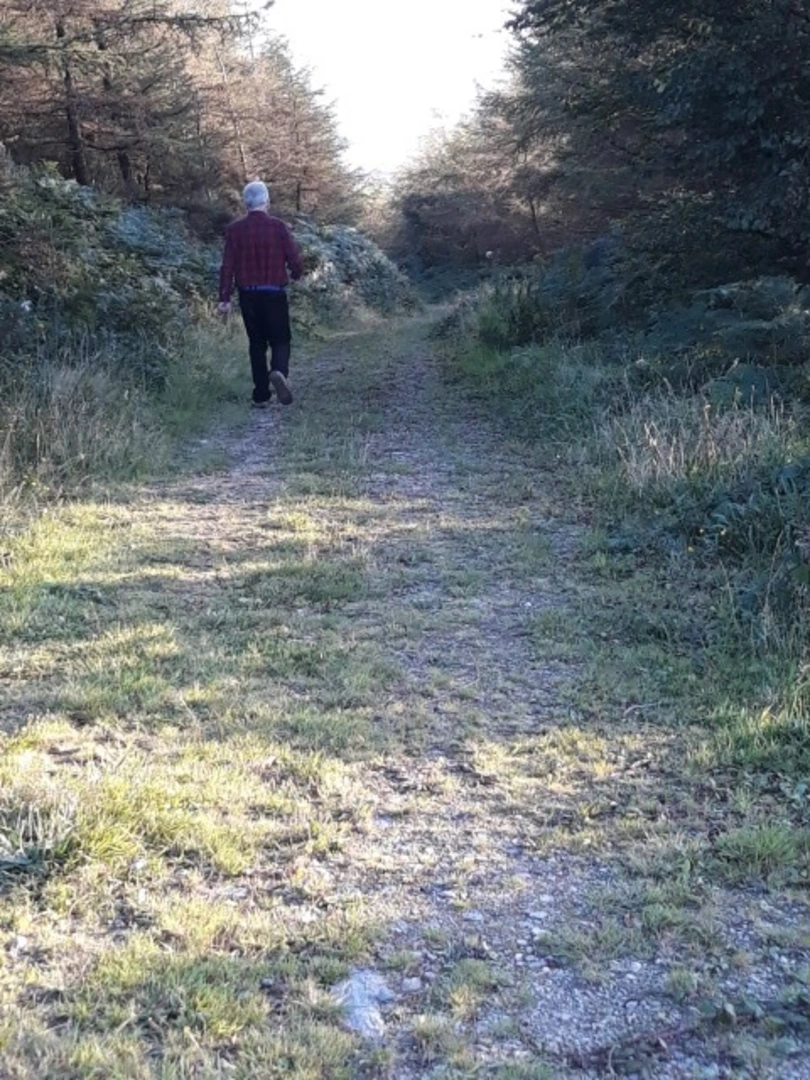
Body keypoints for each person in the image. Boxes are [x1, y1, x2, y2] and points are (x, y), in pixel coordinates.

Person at [218, 181, 304, 408]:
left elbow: (227, 266)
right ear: (266, 201)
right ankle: (279, 371)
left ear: (245, 203)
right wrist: (296, 274)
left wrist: (224, 298)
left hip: (248, 295)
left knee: (256, 343)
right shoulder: (278, 227)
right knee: (281, 339)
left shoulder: (235, 230)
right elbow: (294, 257)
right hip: (274, 293)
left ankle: (261, 395)